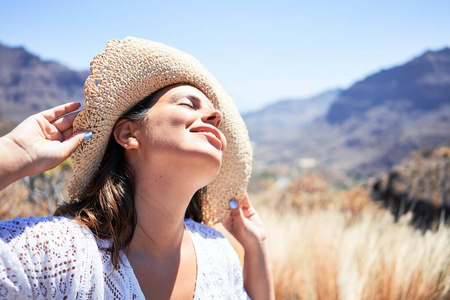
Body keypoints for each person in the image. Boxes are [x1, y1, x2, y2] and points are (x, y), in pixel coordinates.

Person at [0, 37, 274, 299]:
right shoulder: (58, 254)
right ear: (129, 134)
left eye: (216, 119)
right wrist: (13, 153)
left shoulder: (217, 252)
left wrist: (256, 247)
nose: (216, 117)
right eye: (188, 103)